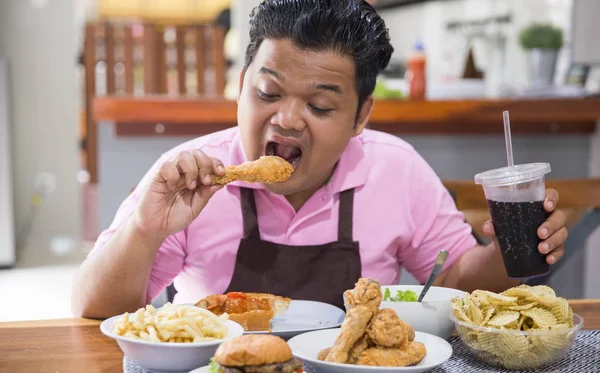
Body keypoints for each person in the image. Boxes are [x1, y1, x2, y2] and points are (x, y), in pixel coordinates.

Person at [72, 0, 568, 318]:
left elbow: (459, 278)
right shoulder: (187, 173)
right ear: (241, 85)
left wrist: (514, 251)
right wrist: (146, 227)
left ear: (361, 116)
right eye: (268, 92)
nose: (287, 119)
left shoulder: (396, 169)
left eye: (320, 105)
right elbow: (92, 308)